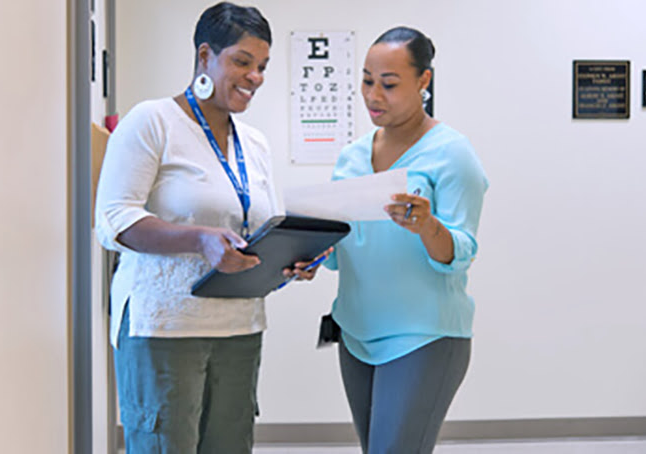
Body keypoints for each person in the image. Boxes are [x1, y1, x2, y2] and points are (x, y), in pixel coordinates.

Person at [94, 3, 320, 452]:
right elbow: (114, 220)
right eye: (242, 61)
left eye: (262, 66)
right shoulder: (152, 121)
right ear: (204, 57)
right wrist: (199, 239)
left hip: (239, 327)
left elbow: (259, 227)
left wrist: (292, 259)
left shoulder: (253, 144)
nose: (254, 76)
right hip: (164, 327)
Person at [323, 26, 489, 453]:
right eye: (367, 80)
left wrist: (427, 226)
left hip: (424, 336)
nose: (374, 95)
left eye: (389, 84)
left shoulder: (452, 154)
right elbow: (341, 253)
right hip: (356, 331)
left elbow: (460, 252)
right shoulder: (351, 156)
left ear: (424, 81)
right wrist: (307, 251)